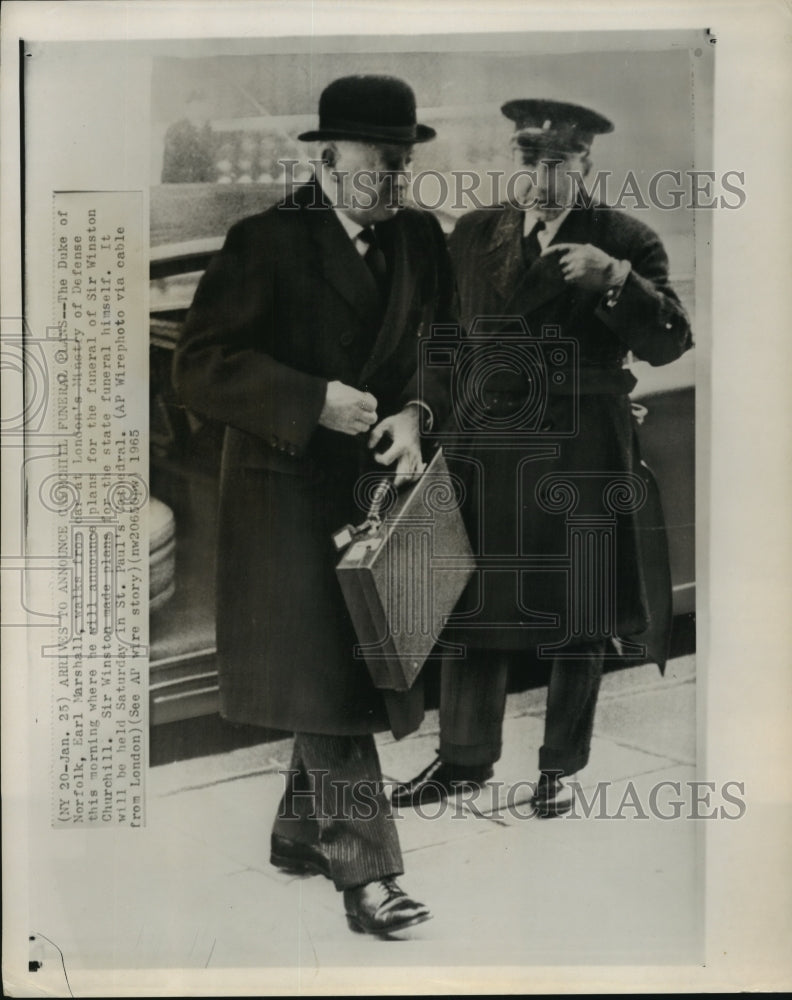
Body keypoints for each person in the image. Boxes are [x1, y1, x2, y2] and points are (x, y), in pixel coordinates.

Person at [173, 74, 456, 934]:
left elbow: (447, 349)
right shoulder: (264, 243)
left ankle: (302, 836)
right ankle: (368, 877)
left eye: (405, 166)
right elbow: (200, 368)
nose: (398, 184)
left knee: (336, 675)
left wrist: (415, 415)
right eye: (382, 166)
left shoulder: (421, 239)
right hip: (283, 504)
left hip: (378, 498)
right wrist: (311, 402)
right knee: (333, 682)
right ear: (329, 161)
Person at [392, 99, 693, 816]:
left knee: (579, 607)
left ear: (587, 163)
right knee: (473, 601)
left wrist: (615, 280)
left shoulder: (624, 239)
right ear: (515, 160)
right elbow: (441, 337)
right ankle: (464, 758)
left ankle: (561, 764)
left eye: (558, 162)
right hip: (485, 438)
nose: (541, 175)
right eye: (529, 160)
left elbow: (671, 341)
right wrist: (422, 411)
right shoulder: (472, 233)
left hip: (581, 437)